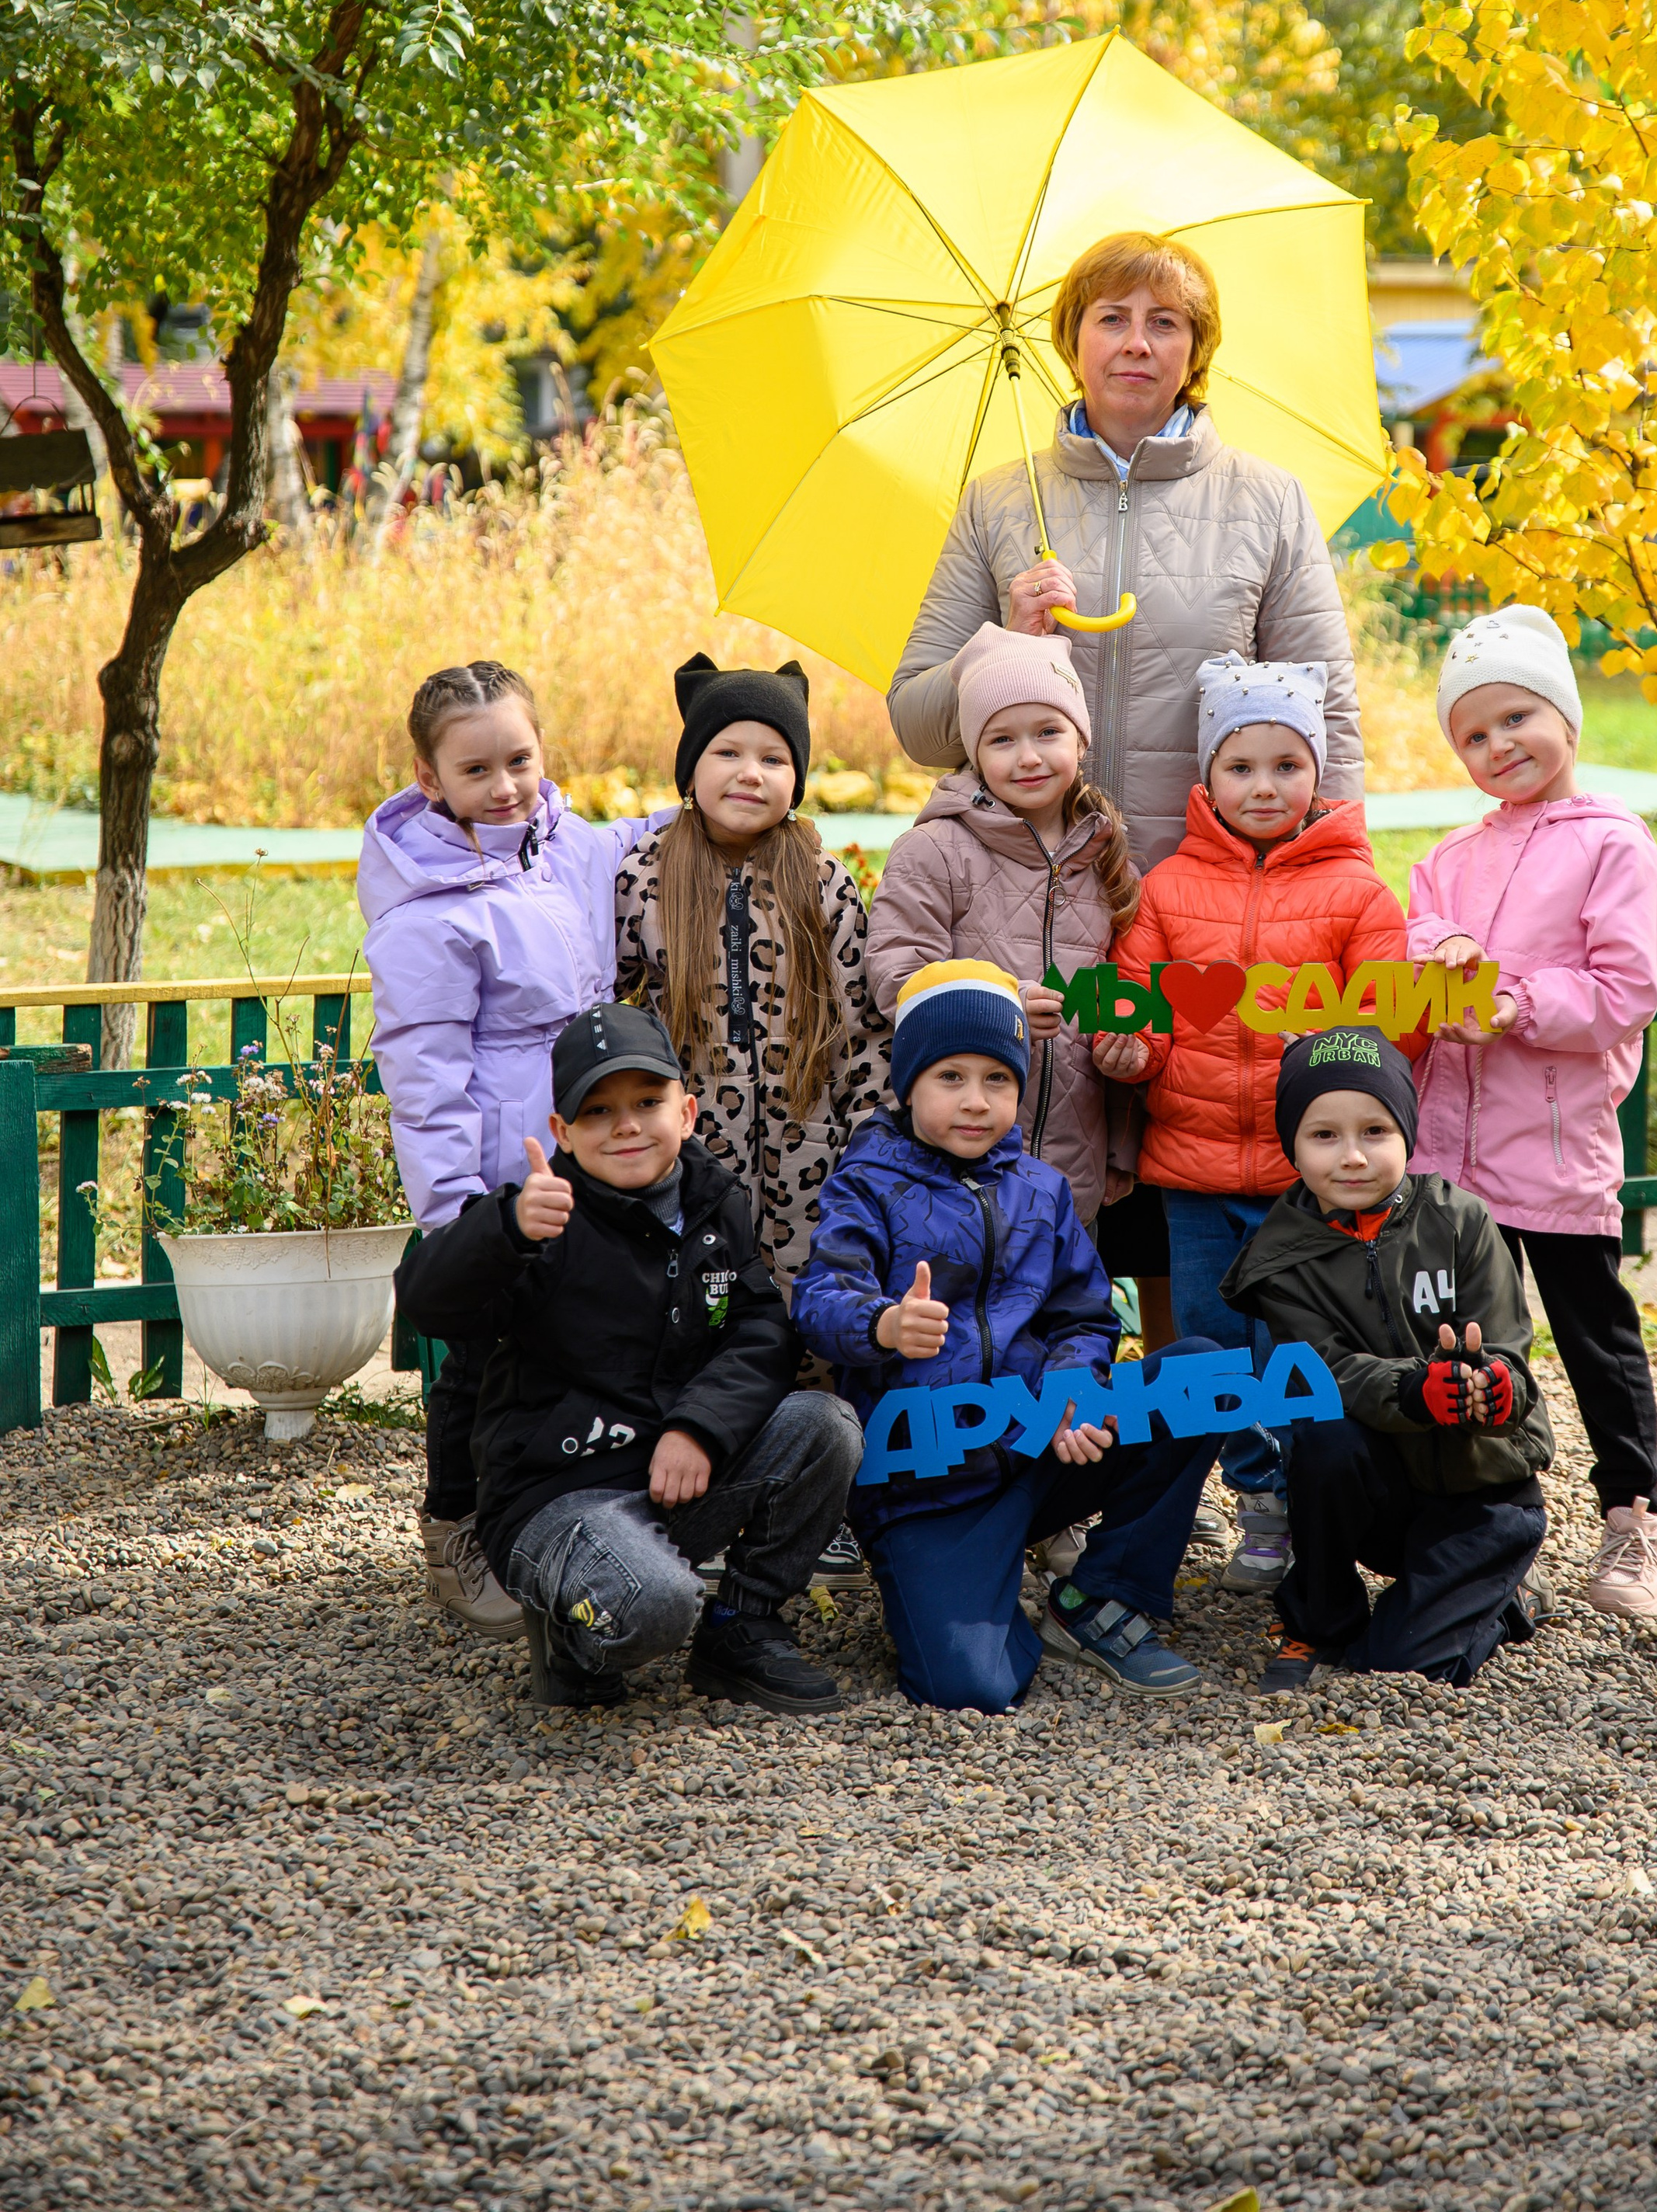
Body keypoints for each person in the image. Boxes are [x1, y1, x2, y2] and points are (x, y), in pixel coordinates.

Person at [886, 228, 1365, 1342]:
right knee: (1041, 1174)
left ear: (1197, 348)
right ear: (1073, 339)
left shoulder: (1266, 501)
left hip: (1206, 907)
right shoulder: (1001, 503)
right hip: (1029, 905)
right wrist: (1005, 637)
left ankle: (1196, 1425)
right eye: (1112, 318)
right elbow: (917, 720)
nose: (1137, 343)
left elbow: (1327, 714)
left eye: (1165, 322)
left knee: (1189, 1185)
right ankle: (1058, 1415)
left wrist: (1334, 882)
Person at [395, 1001, 862, 1713]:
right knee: (658, 1605)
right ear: (562, 1132)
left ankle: (742, 1626)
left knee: (826, 1426)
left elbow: (761, 1328)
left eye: (648, 1102)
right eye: (598, 1111)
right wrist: (505, 1229)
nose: (627, 1126)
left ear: (688, 1112)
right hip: (560, 1500)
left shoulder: (715, 1202)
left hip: (675, 1478)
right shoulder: (539, 1218)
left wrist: (700, 1427)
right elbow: (429, 1303)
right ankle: (571, 1636)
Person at [791, 962, 1226, 1713]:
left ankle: (1097, 1597)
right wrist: (884, 1323)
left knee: (1200, 1376)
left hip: (1039, 1445)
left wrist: (1072, 1387)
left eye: (997, 1078)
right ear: (908, 1084)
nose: (975, 1099)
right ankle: (971, 1591)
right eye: (950, 1077)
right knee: (969, 1686)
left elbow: (1085, 1315)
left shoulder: (1040, 1188)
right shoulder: (866, 1183)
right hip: (928, 1485)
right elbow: (819, 1299)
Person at [360, 660, 672, 1640]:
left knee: (560, 1332)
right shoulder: (426, 911)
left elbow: (631, 838)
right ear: (429, 776)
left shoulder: (562, 842)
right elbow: (424, 1070)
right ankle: (454, 1527)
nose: (504, 786)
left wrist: (719, 792)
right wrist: (457, 1209)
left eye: (520, 760)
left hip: (587, 1138)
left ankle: (546, 1507)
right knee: (480, 1351)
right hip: (502, 1157)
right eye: (476, 769)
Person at [1096, 653, 1412, 1591]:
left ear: (1317, 771)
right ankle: (1257, 1502)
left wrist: (1346, 1047)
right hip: (1192, 1176)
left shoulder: (1356, 891)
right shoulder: (1166, 887)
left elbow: (1390, 1020)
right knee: (1212, 1349)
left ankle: (1315, 1501)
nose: (1264, 786)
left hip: (1301, 1184)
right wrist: (1131, 1050)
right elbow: (1138, 1001)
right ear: (1207, 775)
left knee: (1299, 1351)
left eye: (1286, 764)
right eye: (1240, 766)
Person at [1407, 605, 1657, 1622]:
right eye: (1473, 734)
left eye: (1516, 717)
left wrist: (1513, 1005)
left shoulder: (1614, 843)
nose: (1498, 745)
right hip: (1450, 1154)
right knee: (1466, 1344)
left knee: (1592, 1335)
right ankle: (1488, 1530)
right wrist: (1432, 954)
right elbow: (1413, 938)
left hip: (1557, 1148)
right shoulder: (1448, 857)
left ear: (1565, 714)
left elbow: (1624, 989)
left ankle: (1634, 1518)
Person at [1224, 1031, 1554, 1692]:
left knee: (1400, 1662)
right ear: (1292, 1145)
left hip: (1482, 1489)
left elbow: (1509, 1354)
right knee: (1323, 1436)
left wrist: (1492, 1390)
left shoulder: (1461, 1219)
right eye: (1324, 1136)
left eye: (1375, 1131)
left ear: (1407, 1132)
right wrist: (1412, 1390)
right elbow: (1323, 1369)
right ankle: (1320, 1618)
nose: (1352, 1156)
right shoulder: (1279, 1258)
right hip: (1382, 1496)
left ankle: (1497, 1593)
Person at [614, 655, 891, 1297]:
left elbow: (865, 1032)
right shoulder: (646, 880)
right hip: (684, 1164)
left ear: (797, 780)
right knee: (696, 1312)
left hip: (814, 1165)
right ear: (690, 770)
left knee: (810, 1319)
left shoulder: (823, 883)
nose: (750, 773)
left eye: (773, 759)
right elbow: (607, 1014)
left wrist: (870, 1148)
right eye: (728, 753)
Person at [863, 623, 1138, 1232]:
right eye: (1002, 739)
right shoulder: (934, 851)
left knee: (1064, 1294)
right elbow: (897, 977)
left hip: (1072, 1176)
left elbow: (1123, 1000)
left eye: (1048, 732)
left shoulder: (1108, 860)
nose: (1029, 756)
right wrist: (1002, 1008)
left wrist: (1121, 1143)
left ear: (1081, 739)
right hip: (952, 1164)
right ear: (974, 749)